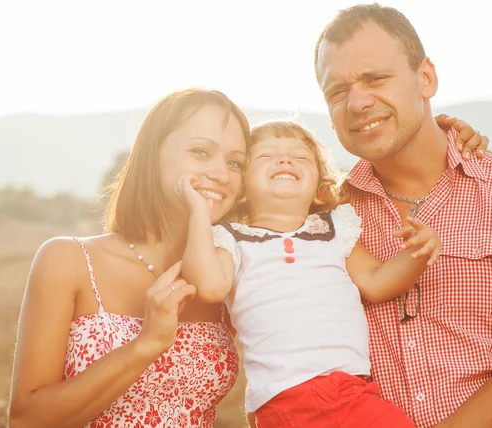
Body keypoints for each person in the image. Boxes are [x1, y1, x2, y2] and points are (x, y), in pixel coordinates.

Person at [314, 4, 492, 428]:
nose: (357, 102)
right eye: (336, 91)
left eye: (375, 78)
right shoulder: (322, 216)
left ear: (426, 77)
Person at [8, 88, 249, 427]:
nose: (221, 174)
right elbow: (26, 419)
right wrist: (146, 344)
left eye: (235, 162)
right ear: (152, 155)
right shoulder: (68, 260)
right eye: (200, 151)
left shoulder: (231, 274)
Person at [179, 120, 443, 428]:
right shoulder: (234, 239)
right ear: (241, 191)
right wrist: (199, 212)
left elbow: (375, 282)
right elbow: (209, 286)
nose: (285, 159)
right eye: (266, 155)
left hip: (350, 389)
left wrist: (418, 255)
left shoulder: (333, 230)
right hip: (292, 393)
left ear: (319, 191)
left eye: (300, 157)